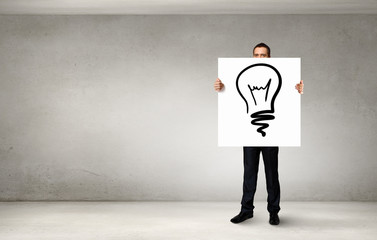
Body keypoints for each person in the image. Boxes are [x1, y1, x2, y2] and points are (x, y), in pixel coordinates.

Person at [214, 43, 304, 225]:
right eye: (256, 55)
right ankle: (246, 210)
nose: (260, 58)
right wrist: (221, 87)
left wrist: (299, 89)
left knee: (272, 174)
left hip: (272, 133)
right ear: (252, 57)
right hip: (248, 134)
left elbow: (289, 95)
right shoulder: (243, 75)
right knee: (249, 173)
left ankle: (273, 211)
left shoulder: (282, 76)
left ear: (270, 57)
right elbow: (231, 95)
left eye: (264, 55)